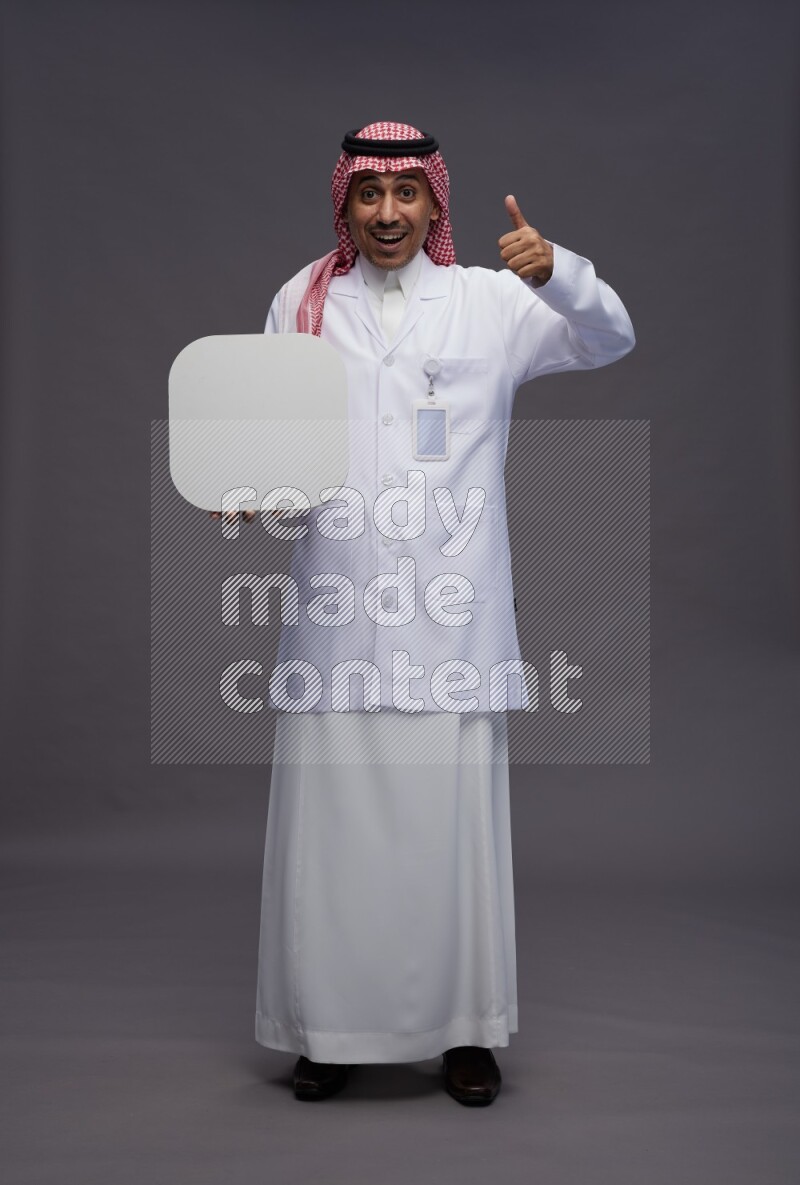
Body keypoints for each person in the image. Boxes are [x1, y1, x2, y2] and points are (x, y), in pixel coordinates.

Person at [253, 121, 635, 1105]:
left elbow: (609, 337)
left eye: (405, 194)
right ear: (342, 202)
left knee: (450, 832)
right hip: (338, 612)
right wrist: (250, 489)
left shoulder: (490, 304)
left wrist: (559, 271)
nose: (387, 213)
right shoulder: (301, 303)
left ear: (434, 202)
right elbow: (273, 452)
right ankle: (329, 1031)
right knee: (332, 839)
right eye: (367, 194)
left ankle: (464, 1032)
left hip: (450, 619)